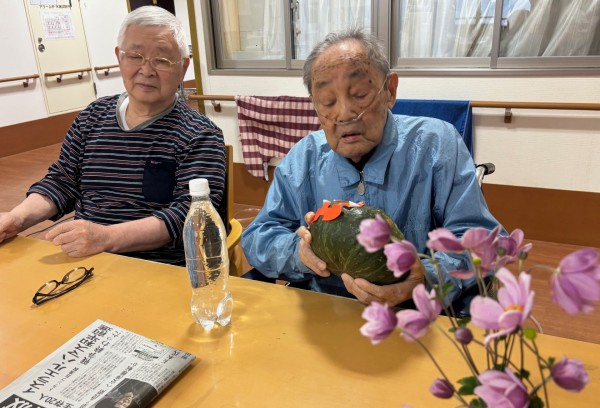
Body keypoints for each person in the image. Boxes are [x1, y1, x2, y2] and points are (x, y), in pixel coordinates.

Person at [241, 29, 503, 307]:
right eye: (328, 102)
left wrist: (425, 278)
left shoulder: (436, 145)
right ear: (315, 106)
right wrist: (300, 253)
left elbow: (483, 241)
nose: (344, 114)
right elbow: (259, 236)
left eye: (360, 94)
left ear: (390, 90)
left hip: (414, 314)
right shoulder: (303, 158)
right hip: (326, 310)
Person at [0, 6, 225, 265]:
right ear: (119, 57)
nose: (147, 70)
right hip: (84, 260)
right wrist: (15, 218)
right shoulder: (91, 117)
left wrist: (105, 238)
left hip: (158, 268)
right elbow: (61, 182)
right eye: (135, 56)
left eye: (162, 60)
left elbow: (189, 216)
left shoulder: (200, 134)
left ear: (183, 68)